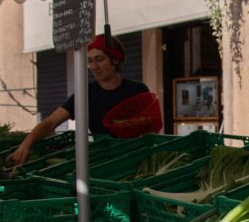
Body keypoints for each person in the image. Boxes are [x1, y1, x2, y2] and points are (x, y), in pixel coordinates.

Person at [8, 34, 149, 165]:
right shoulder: (86, 94)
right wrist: (25, 145)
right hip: (105, 162)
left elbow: (151, 128)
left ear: (116, 59)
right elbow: (50, 123)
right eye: (90, 61)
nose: (93, 67)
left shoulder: (138, 90)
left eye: (99, 60)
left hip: (138, 159)